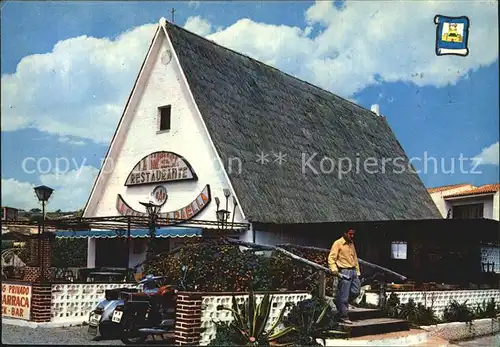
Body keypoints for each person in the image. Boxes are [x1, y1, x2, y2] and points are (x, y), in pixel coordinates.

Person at [328, 228, 361, 324]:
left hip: (353, 271)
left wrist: (357, 272)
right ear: (345, 233)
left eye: (353, 234)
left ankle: (339, 301)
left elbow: (355, 258)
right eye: (350, 234)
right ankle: (344, 316)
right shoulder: (337, 243)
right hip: (344, 271)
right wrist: (334, 269)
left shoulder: (351, 244)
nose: (352, 236)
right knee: (344, 295)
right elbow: (331, 258)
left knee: (356, 291)